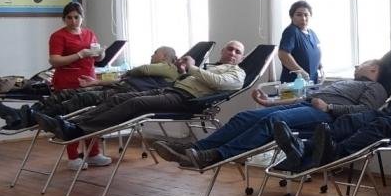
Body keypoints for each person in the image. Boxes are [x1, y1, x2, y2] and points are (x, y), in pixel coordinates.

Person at [151, 59, 386, 169]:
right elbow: (303, 98)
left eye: (363, 64)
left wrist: (330, 108)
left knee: (274, 121)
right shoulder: (344, 83)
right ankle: (193, 149)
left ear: (373, 68)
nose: (357, 66)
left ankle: (214, 155)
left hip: (325, 116)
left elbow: (367, 111)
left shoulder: (375, 87)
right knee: (244, 117)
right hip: (306, 106)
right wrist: (270, 101)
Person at [37, 40, 246, 140]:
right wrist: (185, 71)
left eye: (237, 51)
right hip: (172, 91)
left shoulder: (238, 73)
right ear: (222, 50)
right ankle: (72, 124)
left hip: (186, 101)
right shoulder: (210, 67)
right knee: (118, 99)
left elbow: (219, 83)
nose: (232, 53)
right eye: (230, 48)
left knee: (135, 103)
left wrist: (192, 68)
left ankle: (79, 130)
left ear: (241, 58)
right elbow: (192, 78)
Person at [0, 46, 178, 130]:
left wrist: (130, 72)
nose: (152, 54)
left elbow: (142, 69)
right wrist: (95, 82)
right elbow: (120, 79)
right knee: (69, 93)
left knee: (82, 99)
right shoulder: (155, 69)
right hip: (120, 87)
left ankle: (31, 117)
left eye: (155, 52)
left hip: (126, 93)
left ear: (164, 56)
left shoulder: (169, 68)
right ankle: (26, 115)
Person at [46, 2, 108, 170]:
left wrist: (100, 53)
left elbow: (98, 58)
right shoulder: (58, 36)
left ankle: (93, 153)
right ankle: (73, 157)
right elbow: (54, 60)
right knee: (71, 118)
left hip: (89, 80)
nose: (73, 21)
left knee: (92, 116)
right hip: (67, 82)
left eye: (76, 17)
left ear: (82, 17)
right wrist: (79, 54)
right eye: (69, 18)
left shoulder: (89, 33)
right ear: (64, 19)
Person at [278, 0, 322, 84]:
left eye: (306, 15)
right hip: (295, 84)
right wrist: (300, 71)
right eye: (299, 15)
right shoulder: (291, 31)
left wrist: (320, 67)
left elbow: (315, 53)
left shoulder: (312, 33)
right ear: (292, 16)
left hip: (312, 82)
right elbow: (283, 54)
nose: (303, 18)